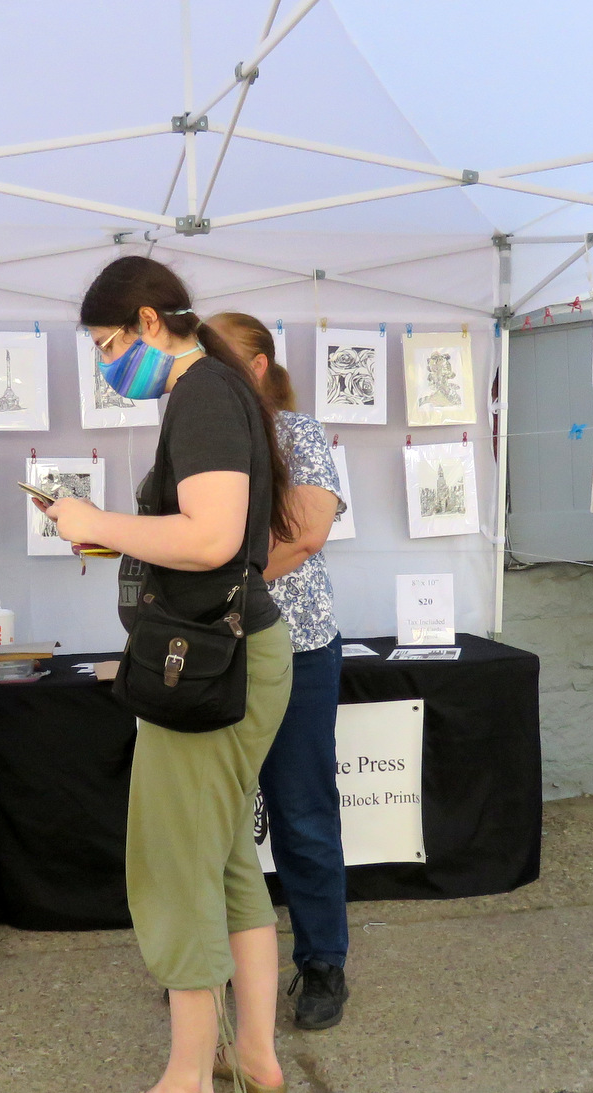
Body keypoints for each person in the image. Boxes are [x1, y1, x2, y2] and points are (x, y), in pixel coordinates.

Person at [38, 257, 294, 1093]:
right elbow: (217, 537)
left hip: (211, 665)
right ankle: (254, 1056)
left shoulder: (203, 394)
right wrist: (116, 532)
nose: (108, 364)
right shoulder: (212, 390)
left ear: (150, 321)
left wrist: (97, 523)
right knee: (222, 860)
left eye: (109, 344)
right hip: (233, 654)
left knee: (174, 871)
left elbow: (213, 537)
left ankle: (185, 1092)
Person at [207, 313, 350, 1030]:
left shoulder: (297, 434)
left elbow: (307, 535)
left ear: (259, 366)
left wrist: (210, 584)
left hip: (296, 649)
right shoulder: (201, 440)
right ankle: (215, 966)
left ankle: (322, 963)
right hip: (216, 655)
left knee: (302, 815)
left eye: (219, 358)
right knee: (214, 819)